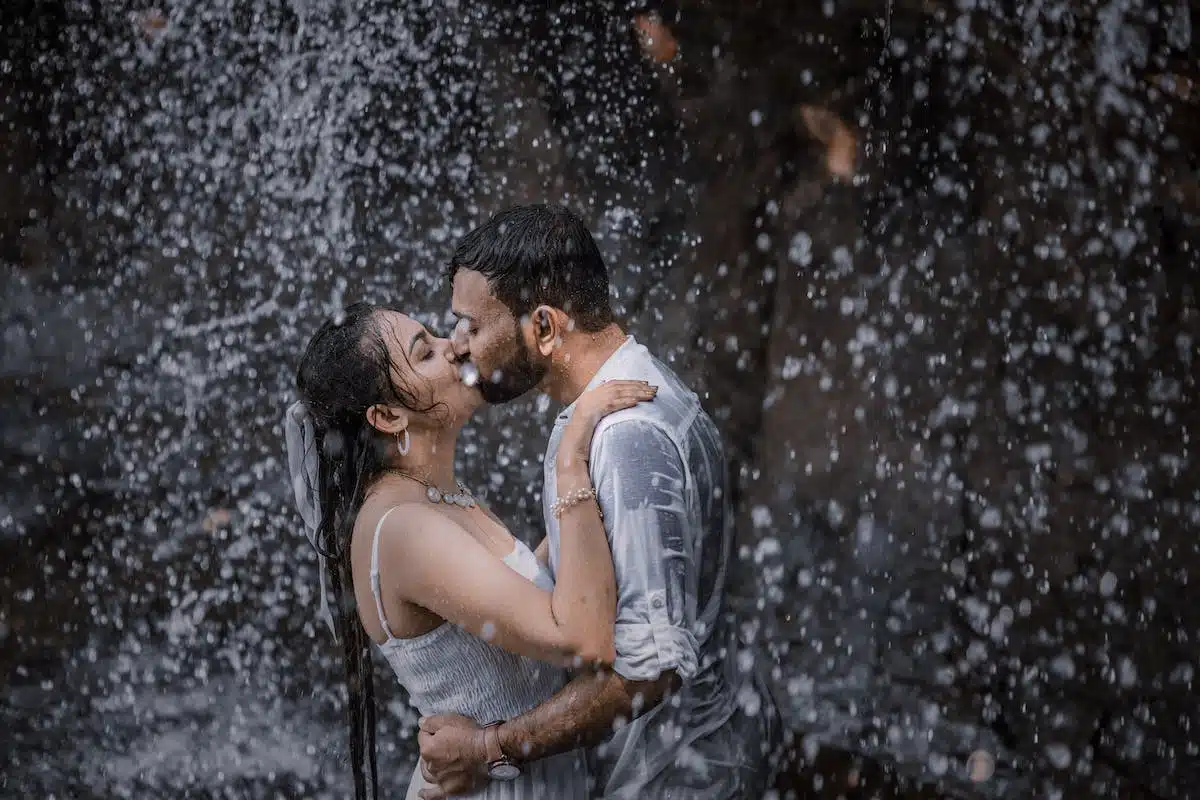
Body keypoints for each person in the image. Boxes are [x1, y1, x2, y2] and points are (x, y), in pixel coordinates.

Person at [417, 204, 780, 798]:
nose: (457, 347)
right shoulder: (611, 406)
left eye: (472, 327)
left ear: (544, 327)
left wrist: (489, 749)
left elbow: (648, 672)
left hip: (681, 776)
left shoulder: (627, 435)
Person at [284, 300, 658, 799]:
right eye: (425, 353)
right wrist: (572, 458)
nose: (454, 344)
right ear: (389, 415)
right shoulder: (405, 530)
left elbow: (520, 589)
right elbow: (582, 637)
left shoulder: (429, 491)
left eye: (437, 335)